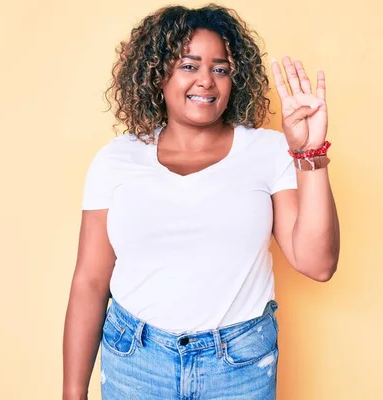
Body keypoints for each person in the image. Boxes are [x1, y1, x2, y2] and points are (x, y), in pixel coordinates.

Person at [62, 4, 340, 399]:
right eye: (189, 66)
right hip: (135, 361)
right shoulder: (116, 159)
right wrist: (73, 393)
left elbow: (318, 264)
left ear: (234, 78)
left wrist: (310, 154)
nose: (206, 81)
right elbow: (90, 282)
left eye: (220, 68)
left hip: (239, 366)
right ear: (158, 75)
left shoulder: (270, 150)